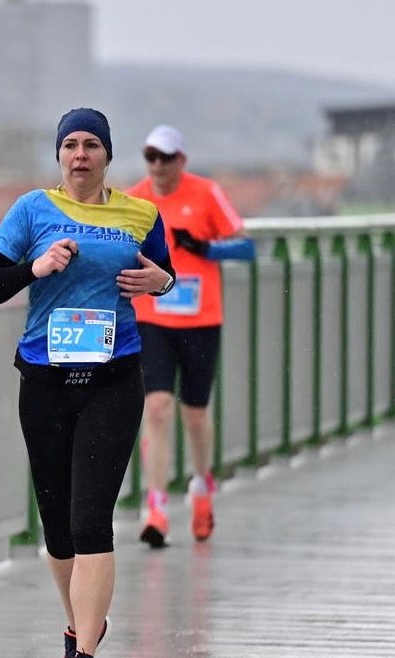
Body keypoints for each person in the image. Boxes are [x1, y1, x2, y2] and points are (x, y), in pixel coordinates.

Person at [0, 108, 175, 658]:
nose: (80, 154)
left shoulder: (141, 214)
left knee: (92, 521)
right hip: (45, 382)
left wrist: (160, 285)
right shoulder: (31, 210)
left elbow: (166, 274)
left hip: (115, 378)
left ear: (108, 155)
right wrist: (34, 268)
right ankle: (78, 627)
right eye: (70, 145)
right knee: (57, 527)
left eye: (91, 144)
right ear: (59, 155)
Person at [126, 125, 255, 547]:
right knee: (157, 407)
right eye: (150, 157)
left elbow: (247, 247)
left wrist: (205, 248)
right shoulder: (135, 200)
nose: (157, 166)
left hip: (200, 319)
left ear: (181, 160)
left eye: (165, 157)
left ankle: (201, 486)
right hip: (153, 318)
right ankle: (156, 507)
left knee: (195, 414)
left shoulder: (206, 193)